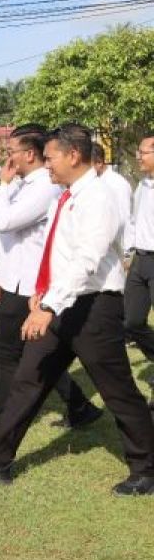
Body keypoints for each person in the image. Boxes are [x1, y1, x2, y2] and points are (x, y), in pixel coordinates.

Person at [0, 124, 154, 494]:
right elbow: (61, 254)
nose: (46, 165)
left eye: (50, 157)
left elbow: (86, 260)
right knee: (30, 379)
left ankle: (146, 469)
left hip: (94, 308)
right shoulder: (69, 195)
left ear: (73, 156)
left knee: (118, 390)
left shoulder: (97, 198)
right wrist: (43, 292)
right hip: (63, 301)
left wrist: (48, 305)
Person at [0, 124, 101, 447]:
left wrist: (0, 185)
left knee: (8, 354)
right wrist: (1, 278)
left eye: (11, 152)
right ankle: (80, 406)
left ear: (29, 154)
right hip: (15, 280)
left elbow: (4, 221)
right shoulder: (23, 185)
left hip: (30, 287)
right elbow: (7, 239)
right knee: (34, 355)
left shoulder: (43, 188)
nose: (7, 159)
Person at [123, 132, 154, 388]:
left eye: (143, 152)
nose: (138, 157)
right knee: (132, 321)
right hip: (140, 261)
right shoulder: (142, 186)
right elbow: (134, 222)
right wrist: (127, 253)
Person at [92, 142, 132, 227]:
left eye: (86, 166)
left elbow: (123, 219)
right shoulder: (94, 182)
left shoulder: (117, 184)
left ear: (99, 163)